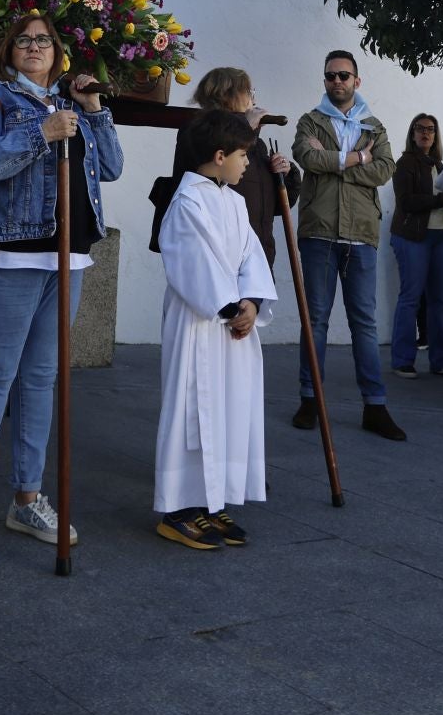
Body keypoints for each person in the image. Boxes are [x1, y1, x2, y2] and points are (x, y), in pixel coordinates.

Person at [0, 12, 123, 563]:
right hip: (11, 256)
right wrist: (39, 132)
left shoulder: (72, 106)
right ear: (8, 49)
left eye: (44, 40)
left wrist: (95, 111)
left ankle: (26, 497)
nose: (35, 46)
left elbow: (111, 167)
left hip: (66, 260)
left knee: (41, 380)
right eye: (24, 39)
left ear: (60, 54)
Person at [154, 110, 275, 549]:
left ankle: (210, 501)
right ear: (220, 155)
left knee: (228, 405)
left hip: (233, 325)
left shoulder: (234, 201)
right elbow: (192, 263)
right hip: (199, 323)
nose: (248, 163)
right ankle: (178, 508)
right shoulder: (187, 201)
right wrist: (230, 306)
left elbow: (251, 257)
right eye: (244, 155)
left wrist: (252, 301)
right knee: (193, 407)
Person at [291, 50, 405, 442]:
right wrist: (356, 158)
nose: (336, 81)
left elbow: (386, 169)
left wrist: (333, 162)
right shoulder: (310, 120)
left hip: (361, 234)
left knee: (364, 324)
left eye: (344, 75)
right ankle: (310, 400)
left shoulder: (374, 126)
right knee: (315, 321)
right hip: (319, 232)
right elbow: (305, 156)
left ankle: (375, 406)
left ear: (358, 81)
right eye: (330, 76)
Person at [148, 66, 300, 270]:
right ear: (228, 95)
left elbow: (274, 205)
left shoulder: (256, 145)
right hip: (222, 257)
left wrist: (285, 174)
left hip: (259, 256)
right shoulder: (196, 132)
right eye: (249, 93)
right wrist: (243, 127)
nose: (253, 101)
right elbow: (208, 178)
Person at [390, 113, 443, 379]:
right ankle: (403, 360)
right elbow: (405, 201)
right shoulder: (405, 162)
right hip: (413, 237)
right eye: (420, 129)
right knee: (410, 298)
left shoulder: (439, 164)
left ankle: (442, 359)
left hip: (441, 236)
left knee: (439, 300)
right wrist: (440, 200)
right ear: (412, 133)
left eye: (430, 129)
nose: (425, 134)